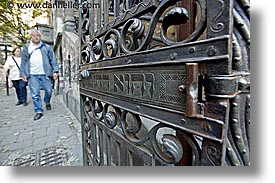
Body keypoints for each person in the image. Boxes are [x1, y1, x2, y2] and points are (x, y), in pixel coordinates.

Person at [20, 29, 59, 121]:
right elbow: (23, 61)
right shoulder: (27, 47)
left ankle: (47, 101)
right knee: (35, 94)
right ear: (31, 37)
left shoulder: (46, 47)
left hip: (45, 73)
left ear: (40, 36)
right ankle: (39, 111)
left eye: (37, 35)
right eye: (33, 35)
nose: (36, 37)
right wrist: (23, 74)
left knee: (49, 91)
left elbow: (53, 60)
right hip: (32, 74)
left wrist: (55, 71)